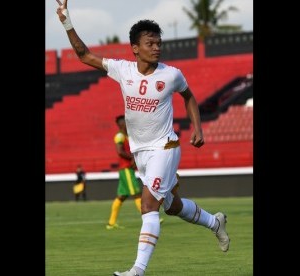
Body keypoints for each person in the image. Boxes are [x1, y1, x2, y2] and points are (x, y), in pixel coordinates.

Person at [55, 1, 230, 275]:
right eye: (150, 43)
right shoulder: (122, 70)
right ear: (135, 47)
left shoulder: (171, 75)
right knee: (171, 206)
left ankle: (138, 269)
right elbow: (83, 54)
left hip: (166, 146)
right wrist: (66, 21)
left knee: (148, 204)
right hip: (141, 154)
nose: (156, 47)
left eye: (159, 43)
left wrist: (198, 127)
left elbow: (189, 97)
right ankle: (214, 223)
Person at [106, 115, 143, 230]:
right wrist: (132, 158)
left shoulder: (126, 136)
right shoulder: (120, 136)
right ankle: (149, 218)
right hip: (126, 168)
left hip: (126, 169)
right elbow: (120, 152)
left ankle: (111, 223)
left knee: (121, 196)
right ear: (121, 124)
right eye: (126, 122)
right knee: (136, 193)